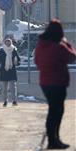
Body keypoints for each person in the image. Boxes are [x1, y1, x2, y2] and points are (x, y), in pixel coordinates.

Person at [35, 19, 76, 150]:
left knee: (53, 110)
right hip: (58, 82)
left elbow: (36, 61)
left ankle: (53, 139)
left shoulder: (41, 45)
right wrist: (67, 43)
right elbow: (72, 57)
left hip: (45, 83)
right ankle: (53, 140)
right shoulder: (59, 46)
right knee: (56, 111)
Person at [0, 38, 20, 107]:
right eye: (7, 42)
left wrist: (17, 62)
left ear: (11, 43)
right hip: (4, 70)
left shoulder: (14, 50)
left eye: (9, 42)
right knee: (4, 88)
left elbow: (18, 58)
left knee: (13, 87)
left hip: (12, 70)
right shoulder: (2, 50)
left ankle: (14, 101)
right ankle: (5, 101)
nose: (8, 43)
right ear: (5, 43)